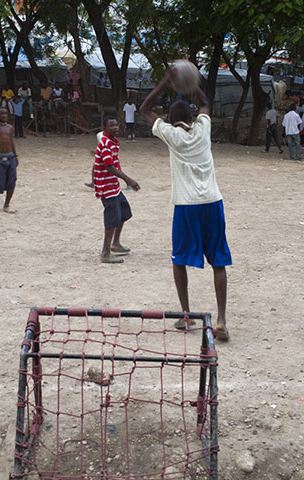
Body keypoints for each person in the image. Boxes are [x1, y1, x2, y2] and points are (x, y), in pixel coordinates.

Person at [140, 67, 231, 341]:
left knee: (179, 260)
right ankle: (222, 320)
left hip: (187, 205)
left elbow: (145, 109)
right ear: (193, 117)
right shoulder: (203, 130)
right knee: (218, 262)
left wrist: (164, 82)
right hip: (213, 202)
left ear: (170, 118)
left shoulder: (171, 135)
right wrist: (194, 86)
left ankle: (187, 315)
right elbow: (205, 103)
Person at [93, 115, 140, 264]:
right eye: (111, 126)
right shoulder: (106, 143)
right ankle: (105, 253)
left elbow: (114, 164)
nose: (115, 128)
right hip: (106, 187)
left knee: (124, 212)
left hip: (113, 185)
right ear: (105, 128)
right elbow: (109, 166)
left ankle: (115, 243)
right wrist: (128, 179)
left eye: (116, 125)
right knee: (112, 218)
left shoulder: (113, 142)